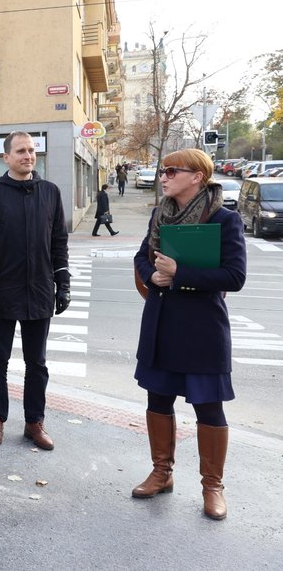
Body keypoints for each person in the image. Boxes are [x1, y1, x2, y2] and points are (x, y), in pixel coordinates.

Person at [131, 149, 246, 521]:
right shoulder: (159, 214)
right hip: (162, 322)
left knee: (209, 407)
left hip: (202, 329)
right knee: (158, 400)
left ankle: (212, 486)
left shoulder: (225, 220)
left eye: (170, 171)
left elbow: (234, 277)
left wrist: (180, 272)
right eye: (162, 170)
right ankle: (161, 473)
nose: (163, 177)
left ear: (196, 176)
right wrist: (152, 275)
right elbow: (141, 257)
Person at [0, 131, 70, 452]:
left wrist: (63, 283)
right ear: (7, 157)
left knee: (37, 363)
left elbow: (59, 242)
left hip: (40, 291)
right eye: (20, 151)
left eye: (31, 150)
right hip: (2, 293)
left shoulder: (51, 193)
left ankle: (34, 422)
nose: (27, 155)